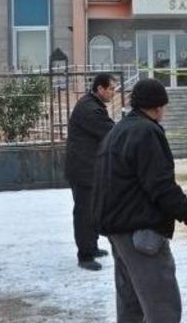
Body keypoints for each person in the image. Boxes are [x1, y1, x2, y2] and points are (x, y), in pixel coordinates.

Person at [93, 78, 187, 323]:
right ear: (158, 107)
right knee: (163, 309)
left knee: (131, 308)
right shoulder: (146, 132)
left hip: (117, 230)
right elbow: (160, 185)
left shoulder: (119, 131)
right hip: (141, 232)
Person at [65, 73, 116, 271]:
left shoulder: (92, 105)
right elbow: (110, 132)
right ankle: (85, 255)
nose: (113, 92)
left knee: (93, 210)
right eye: (111, 89)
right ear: (100, 89)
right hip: (83, 170)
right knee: (84, 213)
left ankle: (92, 246)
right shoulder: (89, 109)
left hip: (90, 169)